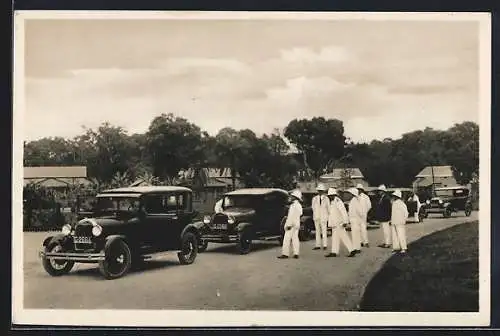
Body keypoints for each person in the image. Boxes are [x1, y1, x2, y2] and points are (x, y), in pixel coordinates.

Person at [325, 188, 356, 258]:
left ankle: (352, 250)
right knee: (335, 238)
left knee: (344, 237)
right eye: (329, 196)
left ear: (334, 195)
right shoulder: (332, 202)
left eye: (330, 195)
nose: (329, 197)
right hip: (334, 224)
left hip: (339, 223)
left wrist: (345, 221)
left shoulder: (338, 201)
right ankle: (334, 252)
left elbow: (343, 212)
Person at [278, 189, 303, 259]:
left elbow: (291, 216)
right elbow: (300, 214)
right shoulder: (299, 205)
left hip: (291, 225)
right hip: (296, 224)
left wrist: (289, 225)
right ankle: (296, 253)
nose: (291, 197)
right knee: (295, 239)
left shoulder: (293, 205)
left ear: (295, 197)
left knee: (286, 239)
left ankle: (285, 254)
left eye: (292, 196)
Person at [390, 189, 409, 254]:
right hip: (394, 221)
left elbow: (406, 213)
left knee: (401, 235)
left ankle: (404, 247)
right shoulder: (394, 203)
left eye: (394, 196)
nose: (393, 197)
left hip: (400, 222)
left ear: (397, 196)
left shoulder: (401, 203)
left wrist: (404, 220)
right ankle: (396, 247)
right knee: (394, 235)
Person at [311, 183, 329, 250]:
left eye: (321, 190)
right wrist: (316, 214)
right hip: (317, 217)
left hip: (323, 217)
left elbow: (328, 208)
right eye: (319, 190)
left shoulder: (326, 198)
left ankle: (325, 245)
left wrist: (328, 217)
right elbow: (313, 207)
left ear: (323, 191)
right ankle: (317, 245)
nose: (320, 192)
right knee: (317, 231)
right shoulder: (314, 198)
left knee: (324, 231)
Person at [346, 187, 363, 254]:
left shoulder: (355, 200)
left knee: (356, 234)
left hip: (355, 219)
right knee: (355, 234)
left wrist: (359, 217)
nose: (349, 195)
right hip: (353, 219)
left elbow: (360, 211)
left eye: (350, 193)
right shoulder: (353, 200)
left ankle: (357, 248)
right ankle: (356, 247)